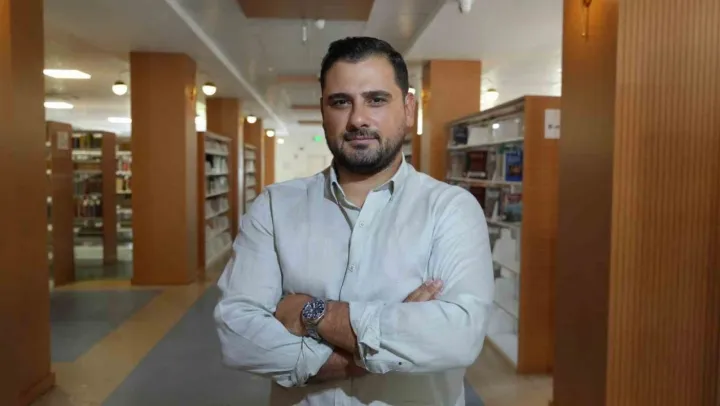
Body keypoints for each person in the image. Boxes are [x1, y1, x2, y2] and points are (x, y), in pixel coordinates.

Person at [214, 36, 494, 406]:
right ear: (323, 111)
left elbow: (458, 338)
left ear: (409, 109)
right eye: (341, 102)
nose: (358, 118)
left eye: (376, 99)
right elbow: (238, 335)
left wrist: (312, 312)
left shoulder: (451, 209)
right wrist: (393, 343)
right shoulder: (274, 207)